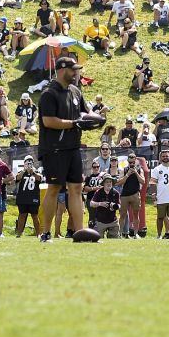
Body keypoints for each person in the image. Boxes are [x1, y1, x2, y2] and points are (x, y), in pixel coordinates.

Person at [36, 55, 102, 242]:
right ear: (63, 70)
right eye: (73, 70)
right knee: (54, 188)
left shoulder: (75, 91)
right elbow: (48, 121)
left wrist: (96, 117)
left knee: (76, 188)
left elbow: (85, 112)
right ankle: (46, 233)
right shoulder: (49, 94)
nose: (76, 73)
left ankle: (80, 233)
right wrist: (75, 123)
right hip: (54, 148)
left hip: (73, 147)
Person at [13, 157, 43, 238]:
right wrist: (24, 169)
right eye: (27, 162)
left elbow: (39, 178)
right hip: (23, 197)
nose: (29, 164)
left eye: (30, 162)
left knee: (35, 216)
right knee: (22, 215)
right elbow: (17, 178)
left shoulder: (36, 171)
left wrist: (32, 172)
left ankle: (38, 234)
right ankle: (19, 233)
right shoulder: (21, 171)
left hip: (33, 197)